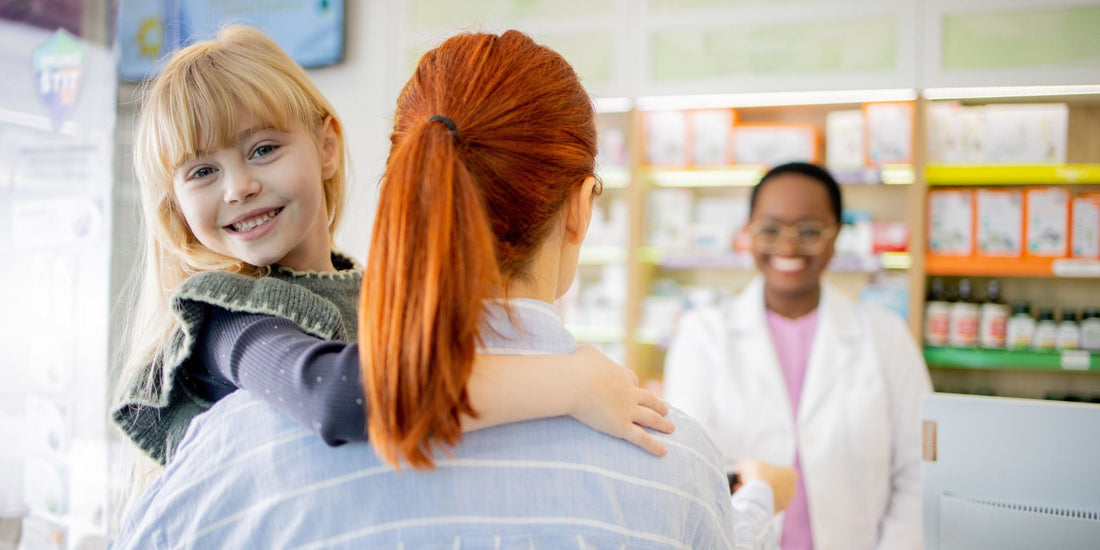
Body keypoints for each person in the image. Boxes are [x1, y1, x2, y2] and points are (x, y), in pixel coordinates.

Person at [113, 29, 797, 549]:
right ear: (582, 208)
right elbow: (338, 392)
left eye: (262, 149)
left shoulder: (245, 440)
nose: (239, 187)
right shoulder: (229, 323)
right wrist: (570, 384)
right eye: (201, 171)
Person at [663, 162, 932, 550]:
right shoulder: (703, 336)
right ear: (749, 232)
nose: (788, 247)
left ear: (837, 235)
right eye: (770, 229)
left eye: (809, 230)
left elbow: (918, 471)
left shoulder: (885, 335)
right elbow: (685, 469)